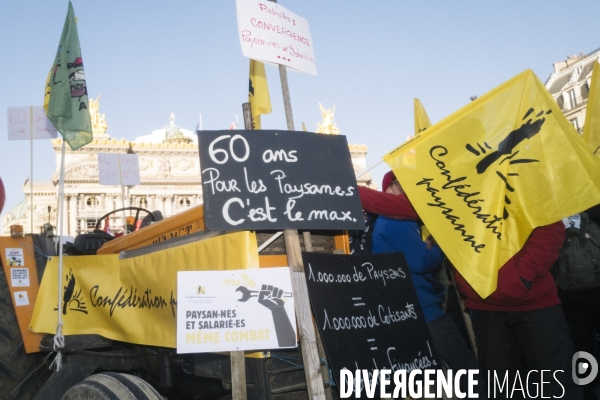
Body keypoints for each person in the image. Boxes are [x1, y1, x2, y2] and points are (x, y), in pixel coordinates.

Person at [363, 171, 480, 387]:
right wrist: (439, 245)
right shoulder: (397, 219)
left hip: (406, 308)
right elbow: (420, 261)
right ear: (388, 189)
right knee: (465, 372)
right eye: (403, 183)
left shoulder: (385, 220)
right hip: (424, 309)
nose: (411, 189)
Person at [453, 221, 582, 399]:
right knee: (503, 386)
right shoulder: (453, 192)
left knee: (554, 382)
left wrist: (523, 275)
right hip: (486, 302)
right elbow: (450, 237)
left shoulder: (530, 192)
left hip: (534, 301)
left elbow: (550, 227)